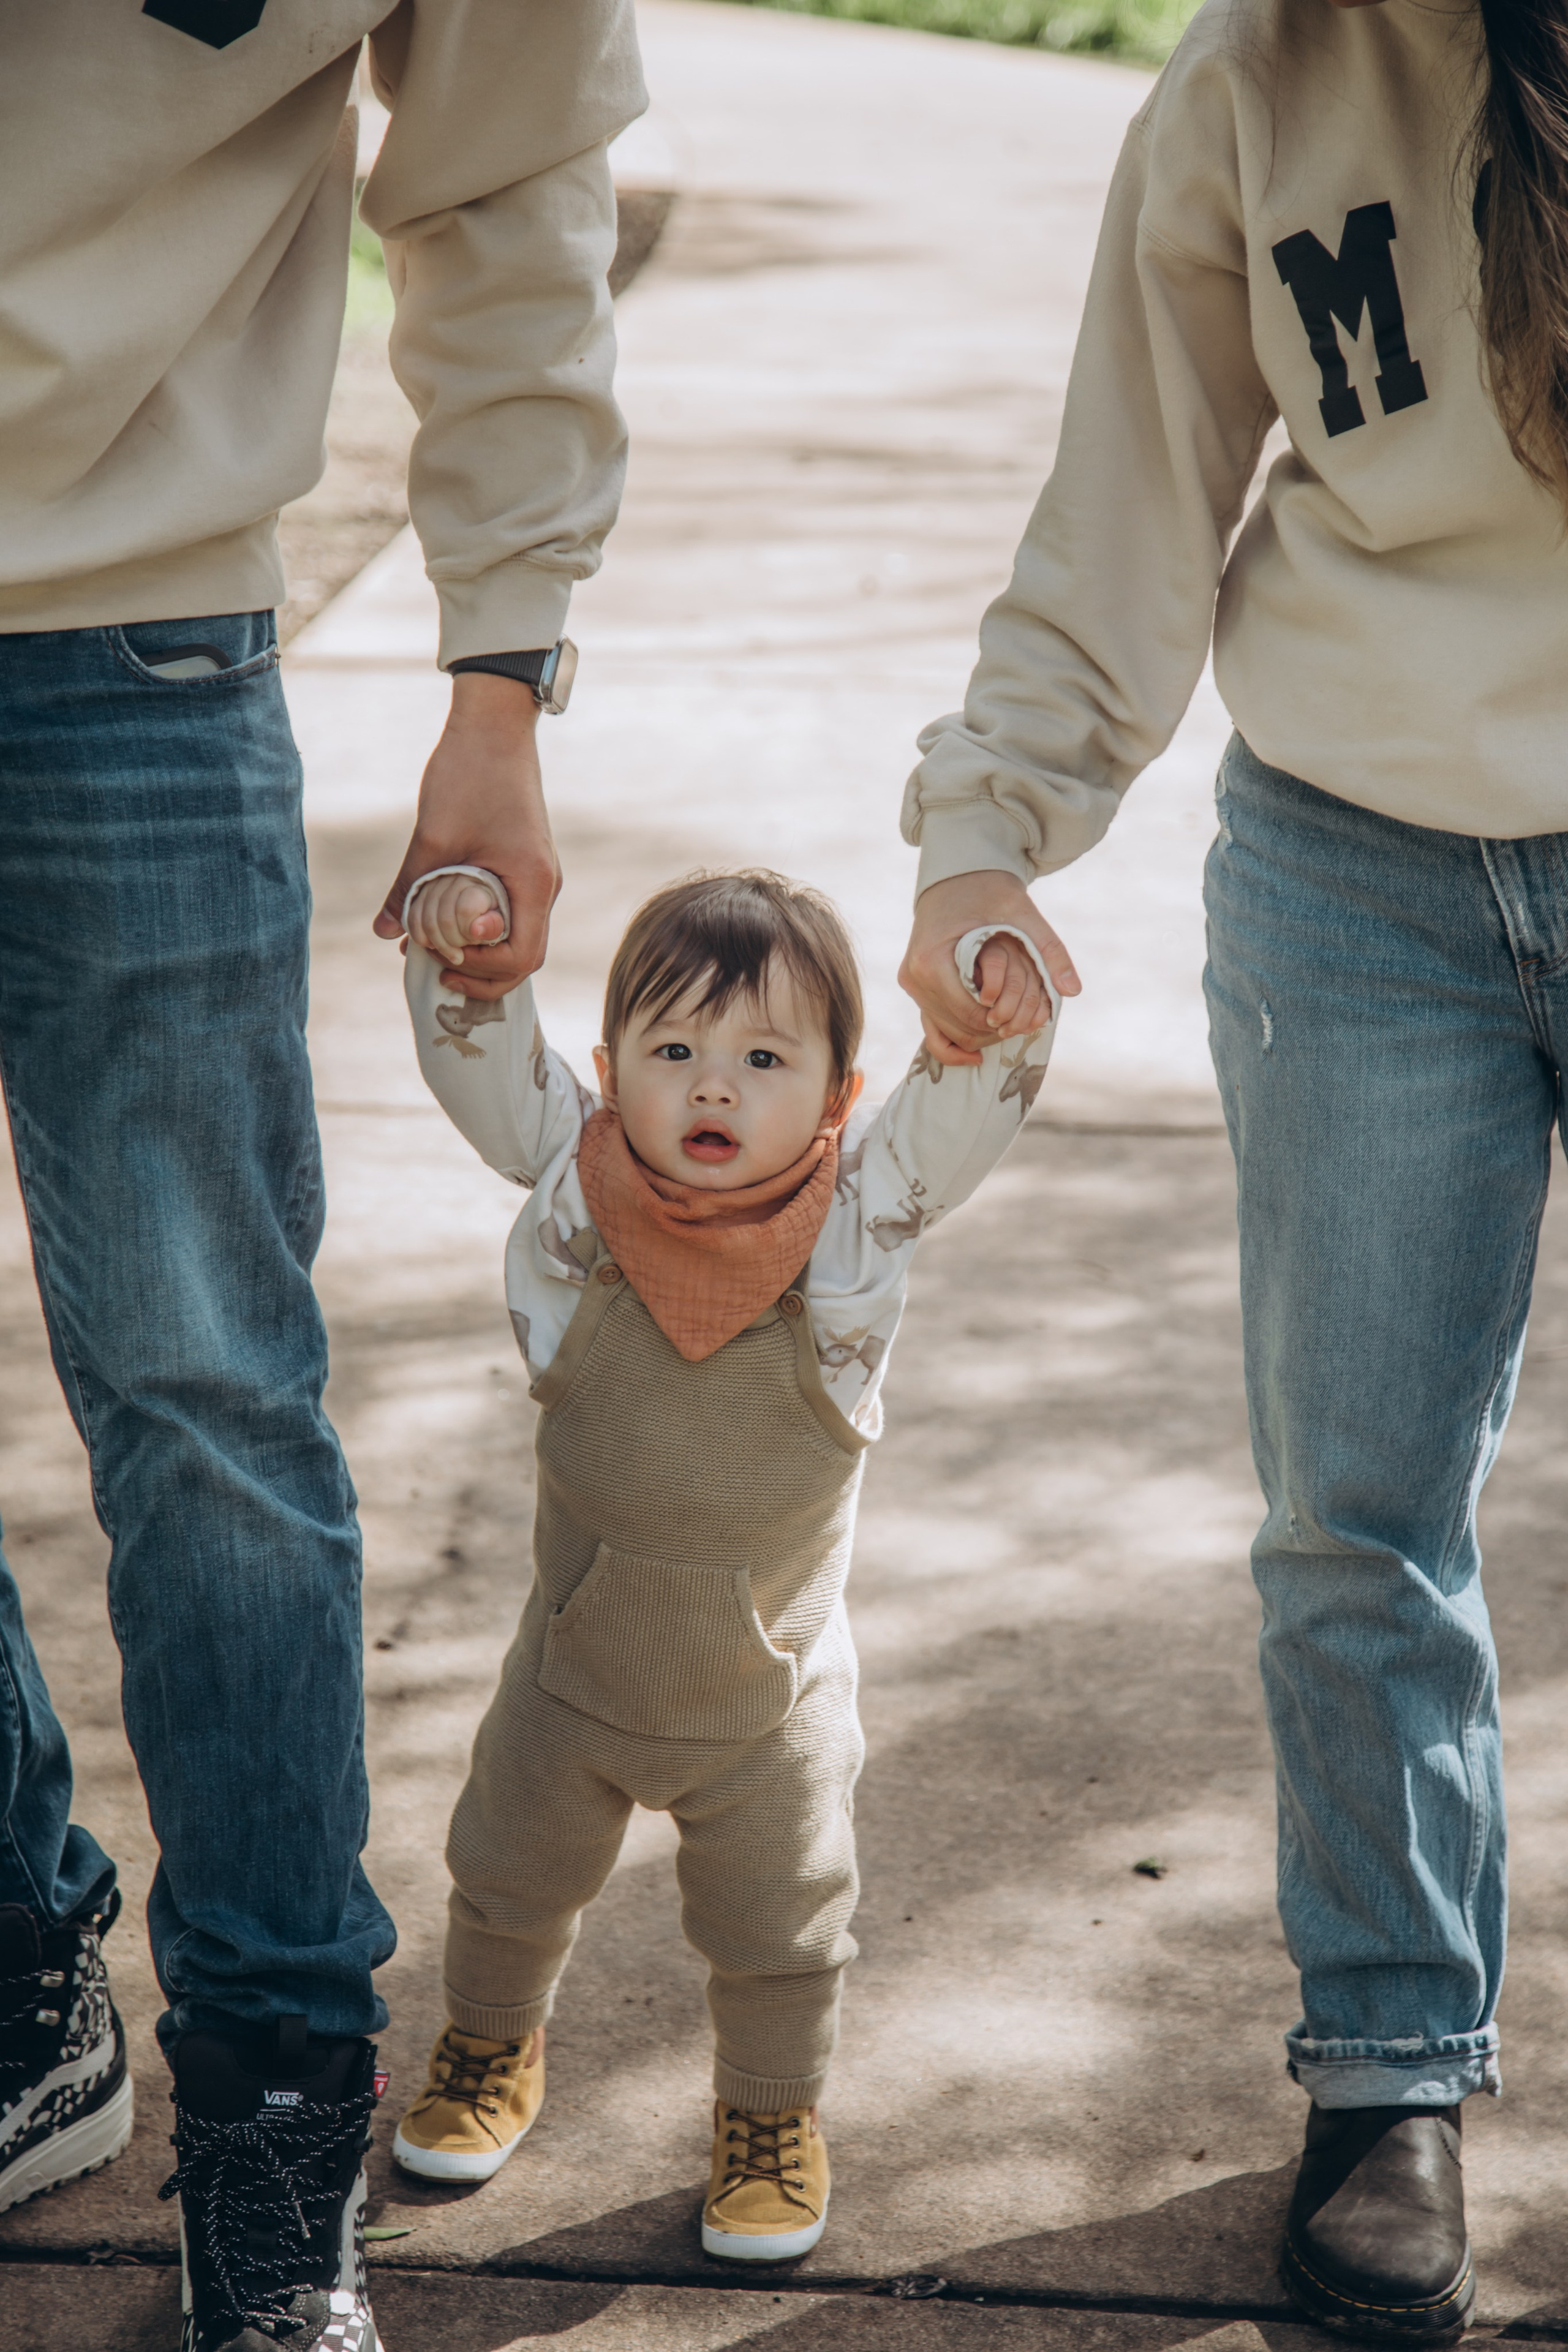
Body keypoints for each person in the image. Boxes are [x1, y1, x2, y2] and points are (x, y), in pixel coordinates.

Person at [896, 0, 1568, 2334]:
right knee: (1353, 1515)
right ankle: (1391, 2062)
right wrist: (990, 828)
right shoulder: (1256, 78)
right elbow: (1130, 493)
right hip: (1361, 871)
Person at [0, 7, 643, 2350]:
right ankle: (16, 1955)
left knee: (205, 1406)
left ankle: (275, 2098)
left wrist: (505, 671)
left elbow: (513, 161)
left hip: (132, 638)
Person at [386, 864, 1054, 2260]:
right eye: (672, 1051)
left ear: (834, 1097)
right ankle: (488, 2046)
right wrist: (465, 939)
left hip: (770, 1708)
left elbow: (961, 1113)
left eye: (761, 1060)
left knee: (784, 1932)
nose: (710, 1089)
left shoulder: (855, 1238)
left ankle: (767, 2116)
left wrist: (996, 999)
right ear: (608, 1066)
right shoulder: (574, 1210)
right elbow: (481, 1062)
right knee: (504, 1877)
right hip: (572, 1677)